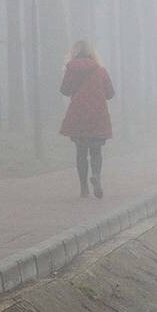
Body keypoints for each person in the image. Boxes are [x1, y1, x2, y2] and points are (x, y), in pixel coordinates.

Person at [59, 39, 115, 198]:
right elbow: (110, 94)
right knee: (96, 150)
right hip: (97, 114)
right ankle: (96, 175)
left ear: (75, 52)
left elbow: (65, 90)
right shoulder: (100, 70)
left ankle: (84, 188)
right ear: (92, 52)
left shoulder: (71, 69)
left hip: (79, 114)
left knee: (81, 151)